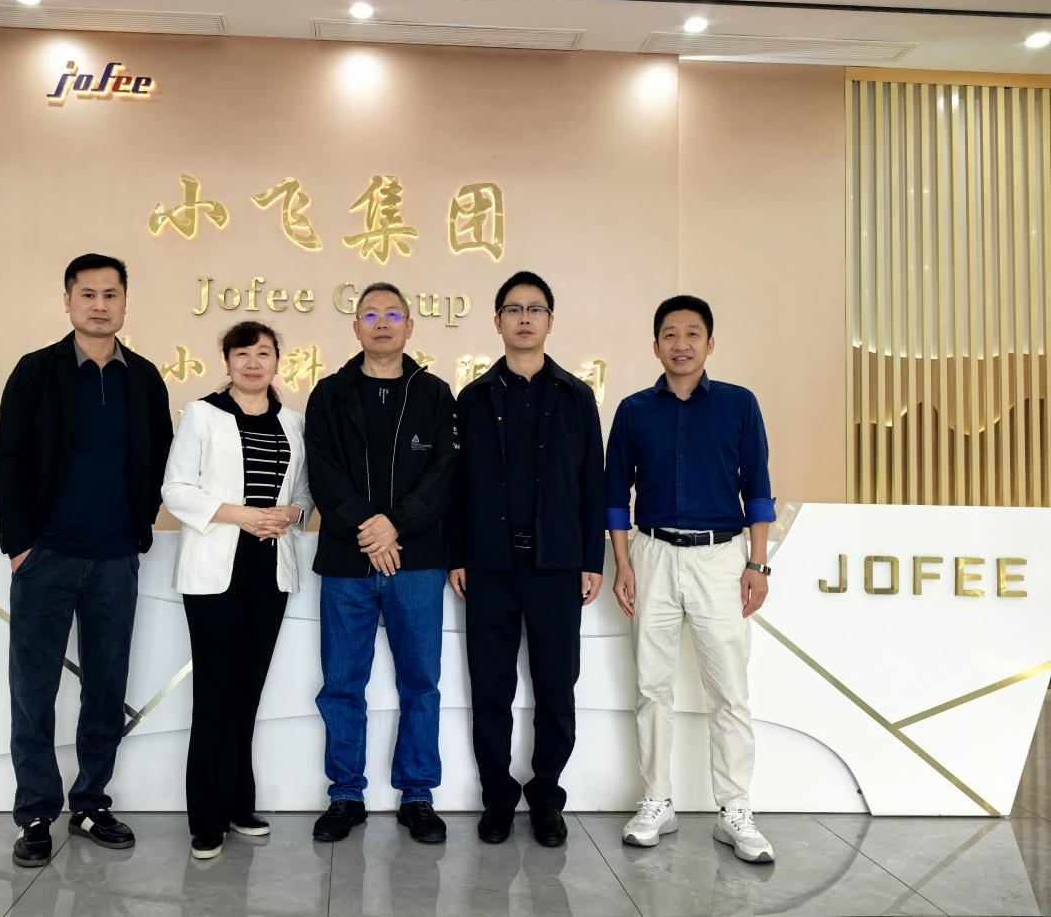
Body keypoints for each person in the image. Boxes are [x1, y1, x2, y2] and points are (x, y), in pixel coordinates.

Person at [0, 253, 173, 868]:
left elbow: (159, 459)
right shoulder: (36, 371)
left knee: (106, 688)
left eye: (111, 294)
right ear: (68, 301)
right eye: (88, 294)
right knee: (33, 691)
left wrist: (139, 528)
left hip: (115, 559)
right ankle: (36, 813)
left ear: (125, 303)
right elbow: (8, 458)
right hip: (46, 557)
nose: (100, 305)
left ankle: (91, 802)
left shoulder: (142, 378)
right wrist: (21, 544)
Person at [605, 294, 776, 863]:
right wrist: (624, 564)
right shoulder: (633, 410)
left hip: (721, 559)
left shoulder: (738, 404)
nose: (681, 344)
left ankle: (735, 810)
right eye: (670, 334)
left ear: (709, 343)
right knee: (651, 688)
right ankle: (657, 800)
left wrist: (757, 563)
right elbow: (615, 496)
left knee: (729, 691)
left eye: (692, 333)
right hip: (652, 555)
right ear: (655, 345)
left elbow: (757, 487)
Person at [447, 270, 605, 848]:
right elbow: (456, 486)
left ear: (550, 321)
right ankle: (497, 799)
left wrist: (592, 559)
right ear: (497, 322)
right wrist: (458, 555)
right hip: (489, 565)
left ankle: (545, 799)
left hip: (556, 566)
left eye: (534, 309)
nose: (524, 318)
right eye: (513, 309)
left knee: (556, 687)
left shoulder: (576, 396)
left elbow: (592, 483)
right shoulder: (473, 398)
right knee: (490, 688)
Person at [304, 282, 458, 844]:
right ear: (356, 328)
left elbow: (445, 472)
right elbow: (322, 472)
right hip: (347, 563)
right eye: (370, 315)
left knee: (421, 683)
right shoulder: (329, 394)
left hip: (417, 563)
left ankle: (417, 795)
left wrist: (395, 524)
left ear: (410, 326)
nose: (382, 323)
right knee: (342, 684)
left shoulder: (435, 394)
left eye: (393, 314)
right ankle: (346, 794)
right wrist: (371, 530)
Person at [161, 320, 313, 860]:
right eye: (242, 353)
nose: (253, 362)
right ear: (226, 361)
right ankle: (206, 817)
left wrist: (290, 515)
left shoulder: (293, 423)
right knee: (215, 693)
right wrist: (243, 515)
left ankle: (238, 803)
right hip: (214, 572)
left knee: (248, 691)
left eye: (263, 353)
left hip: (271, 570)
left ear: (277, 362)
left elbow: (304, 495)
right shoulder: (202, 415)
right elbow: (175, 489)